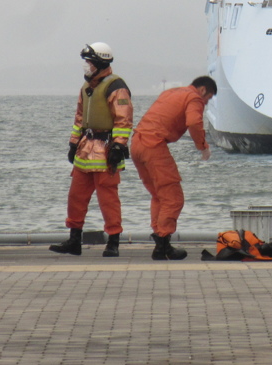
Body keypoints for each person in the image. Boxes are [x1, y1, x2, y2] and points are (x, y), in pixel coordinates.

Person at [50, 43, 132, 257]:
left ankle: (113, 241)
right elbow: (79, 119)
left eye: (89, 62)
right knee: (76, 197)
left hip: (105, 152)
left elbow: (123, 120)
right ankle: (74, 239)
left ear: (99, 63)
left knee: (108, 200)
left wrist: (118, 146)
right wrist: (73, 143)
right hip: (85, 152)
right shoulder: (86, 88)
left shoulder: (116, 87)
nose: (86, 67)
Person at [130, 76, 217, 261]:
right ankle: (162, 243)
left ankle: (161, 242)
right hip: (154, 145)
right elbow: (193, 122)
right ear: (202, 90)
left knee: (158, 196)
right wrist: (203, 146)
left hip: (137, 143)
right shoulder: (194, 98)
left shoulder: (170, 92)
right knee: (173, 198)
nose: (206, 103)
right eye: (208, 99)